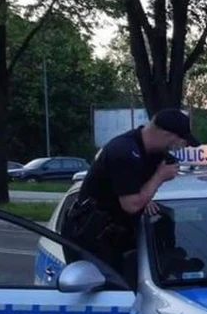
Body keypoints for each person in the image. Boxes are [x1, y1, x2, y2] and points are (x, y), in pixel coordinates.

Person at [62, 109, 198, 277]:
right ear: (165, 134)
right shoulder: (125, 152)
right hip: (92, 239)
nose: (178, 147)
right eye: (179, 141)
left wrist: (145, 196)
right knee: (113, 293)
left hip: (116, 237)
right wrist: (158, 177)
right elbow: (131, 205)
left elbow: (133, 189)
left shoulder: (149, 152)